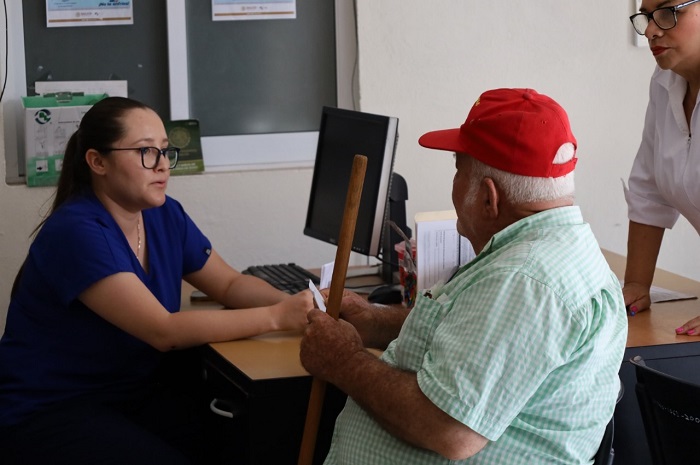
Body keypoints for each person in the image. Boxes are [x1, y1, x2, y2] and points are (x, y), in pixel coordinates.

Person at [300, 88, 628, 464]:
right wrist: (375, 323)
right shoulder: (541, 254)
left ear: (490, 199)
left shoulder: (525, 280)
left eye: (459, 169)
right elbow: (476, 331)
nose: (454, 184)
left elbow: (448, 429)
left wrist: (343, 360)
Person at [0, 96, 313, 465]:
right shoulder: (78, 231)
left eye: (165, 151)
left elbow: (228, 285)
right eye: (146, 152)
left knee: (250, 437)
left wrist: (299, 305)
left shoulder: (163, 215)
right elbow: (164, 331)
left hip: (129, 393)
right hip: (52, 407)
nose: (163, 166)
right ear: (98, 162)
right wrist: (277, 318)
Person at [625, 0, 700, 334]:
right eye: (646, 17)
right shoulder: (665, 80)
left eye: (670, 12)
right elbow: (648, 190)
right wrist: (638, 284)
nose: (652, 30)